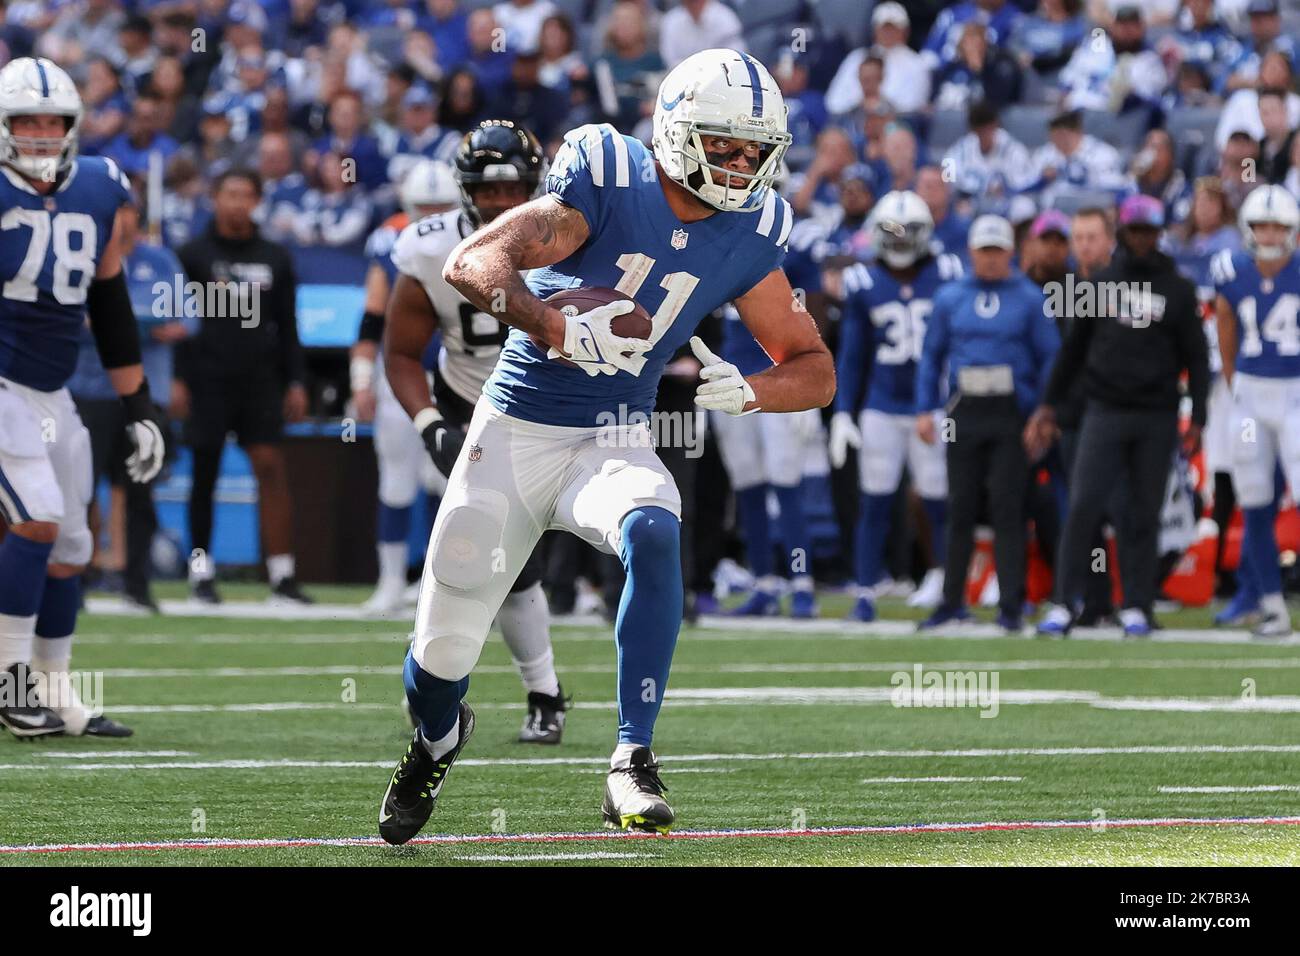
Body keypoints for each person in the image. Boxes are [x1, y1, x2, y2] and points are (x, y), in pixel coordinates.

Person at [378, 49, 834, 844]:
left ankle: (632, 755)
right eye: (722, 146)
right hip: (515, 426)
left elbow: (815, 367)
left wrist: (751, 390)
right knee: (438, 663)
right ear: (678, 133)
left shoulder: (754, 227)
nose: (738, 165)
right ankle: (438, 739)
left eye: (752, 151)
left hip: (614, 434)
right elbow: (471, 261)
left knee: (656, 528)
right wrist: (556, 324)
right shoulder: (609, 173)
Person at [383, 123, 573, 744]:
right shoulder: (427, 247)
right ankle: (529, 694)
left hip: (548, 404)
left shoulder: (569, 238)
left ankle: (536, 692)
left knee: (517, 559)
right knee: (480, 553)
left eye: (513, 188)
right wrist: (430, 424)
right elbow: (402, 353)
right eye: (487, 191)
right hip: (468, 406)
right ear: (464, 191)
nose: (499, 203)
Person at [0, 58, 162, 739]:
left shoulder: (98, 186)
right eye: (25, 121)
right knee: (36, 516)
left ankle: (53, 688)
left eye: (52, 121)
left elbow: (109, 299)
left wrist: (140, 406)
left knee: (72, 543)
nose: (39, 133)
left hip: (50, 389)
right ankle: (10, 684)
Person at [1029, 195, 1209, 636]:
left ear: (1158, 232)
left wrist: (1199, 417)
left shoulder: (1178, 289)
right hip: (1104, 410)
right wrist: (1048, 406)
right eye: (1136, 231)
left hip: (1157, 414)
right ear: (1125, 234)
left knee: (1142, 513)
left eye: (1150, 230)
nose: (1143, 239)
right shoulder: (1098, 284)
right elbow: (1072, 353)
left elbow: (1198, 357)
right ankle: (1063, 602)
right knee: (1084, 504)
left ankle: (1137, 605)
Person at [915, 215, 1059, 633]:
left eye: (998, 252)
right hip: (964, 409)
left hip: (1011, 411)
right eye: (984, 251)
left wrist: (1043, 411)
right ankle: (951, 601)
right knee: (959, 506)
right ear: (971, 253)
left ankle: (1011, 605)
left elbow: (1050, 356)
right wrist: (925, 408)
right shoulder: (950, 298)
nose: (991, 260)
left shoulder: (1029, 299)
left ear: (1010, 253)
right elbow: (932, 356)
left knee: (1007, 508)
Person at [175, 169, 313, 606]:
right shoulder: (191, 254)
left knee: (271, 468)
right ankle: (201, 572)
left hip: (261, 379)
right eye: (230, 194)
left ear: (257, 201)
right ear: (215, 198)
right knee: (204, 475)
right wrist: (176, 379)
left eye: (246, 195)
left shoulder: (275, 256)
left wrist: (296, 381)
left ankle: (282, 575)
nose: (237, 202)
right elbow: (177, 323)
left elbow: (288, 325)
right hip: (206, 379)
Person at [831, 191, 964, 620]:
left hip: (932, 406)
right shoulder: (863, 283)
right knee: (875, 500)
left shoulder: (946, 272)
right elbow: (852, 357)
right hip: (883, 406)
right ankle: (866, 590)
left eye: (911, 232)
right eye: (893, 231)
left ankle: (948, 587)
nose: (902, 240)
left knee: (939, 500)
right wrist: (843, 412)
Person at [68, 199, 192, 614]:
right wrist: (122, 324)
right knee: (80, 489)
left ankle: (137, 584)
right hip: (90, 388)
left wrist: (125, 324)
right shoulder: (79, 255)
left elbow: (188, 318)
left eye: (127, 213)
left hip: (144, 392)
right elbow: (66, 317)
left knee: (142, 489)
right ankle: (77, 580)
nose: (120, 221)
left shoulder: (160, 261)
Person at [353, 160, 458, 616]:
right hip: (403, 370)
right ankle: (391, 580)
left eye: (441, 206)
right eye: (424, 207)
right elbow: (373, 313)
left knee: (446, 480)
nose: (432, 215)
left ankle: (436, 580)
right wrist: (360, 377)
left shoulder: (476, 237)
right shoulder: (393, 240)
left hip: (456, 371)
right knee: (397, 478)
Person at [1211, 184, 1300, 637]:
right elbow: (1225, 319)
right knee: (1256, 500)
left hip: (1295, 394)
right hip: (1249, 394)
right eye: (1261, 225)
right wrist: (1233, 377)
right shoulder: (1230, 269)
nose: (1268, 233)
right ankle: (1271, 608)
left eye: (1277, 226)